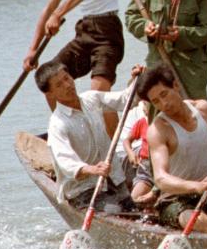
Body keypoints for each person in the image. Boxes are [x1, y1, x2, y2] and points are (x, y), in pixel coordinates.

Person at [36, 60, 143, 209]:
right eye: (59, 85)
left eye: (67, 78)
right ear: (50, 93)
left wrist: (136, 79)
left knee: (135, 209)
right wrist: (91, 169)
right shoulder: (57, 124)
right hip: (84, 191)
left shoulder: (91, 98)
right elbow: (66, 163)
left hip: (114, 180)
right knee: (114, 211)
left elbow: (125, 100)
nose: (67, 85)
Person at [140, 64, 207, 234]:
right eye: (156, 101)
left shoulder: (203, 110)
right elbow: (161, 179)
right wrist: (196, 186)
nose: (164, 104)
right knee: (204, 223)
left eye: (164, 94)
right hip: (175, 199)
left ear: (176, 85)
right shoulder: (159, 130)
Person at [122, 104, 157, 207]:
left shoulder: (166, 123)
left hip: (168, 169)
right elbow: (127, 140)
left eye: (149, 104)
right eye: (144, 104)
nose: (145, 108)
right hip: (146, 169)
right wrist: (131, 153)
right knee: (135, 200)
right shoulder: (142, 122)